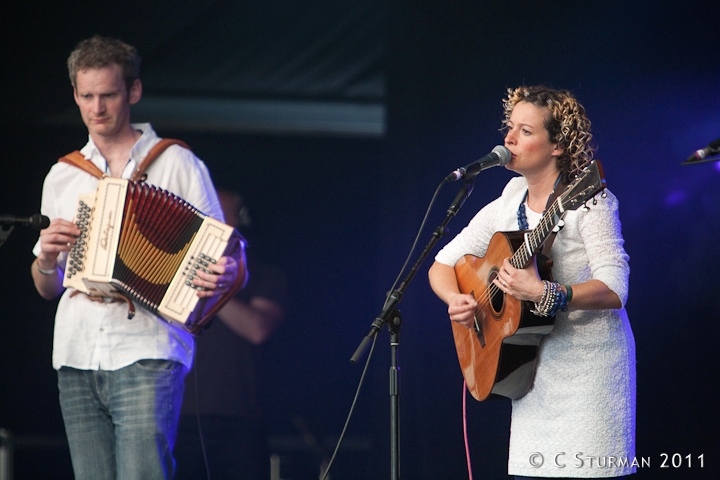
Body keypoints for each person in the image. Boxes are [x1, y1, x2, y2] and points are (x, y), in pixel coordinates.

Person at [30, 36, 244, 480]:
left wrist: (223, 274)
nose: (97, 108)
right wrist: (46, 260)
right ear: (75, 95)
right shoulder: (64, 174)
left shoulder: (177, 163)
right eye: (86, 96)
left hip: (148, 345)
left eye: (108, 94)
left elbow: (225, 251)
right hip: (75, 350)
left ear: (134, 91)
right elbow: (47, 287)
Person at [428, 85, 636, 479]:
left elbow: (615, 289)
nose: (508, 139)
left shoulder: (590, 200)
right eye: (510, 127)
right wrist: (455, 298)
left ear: (557, 145)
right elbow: (441, 263)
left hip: (590, 375)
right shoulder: (510, 198)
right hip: (531, 378)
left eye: (525, 131)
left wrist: (543, 292)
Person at [175, 189, 287, 480]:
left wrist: (215, 291)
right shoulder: (176, 275)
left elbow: (257, 329)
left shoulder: (263, 275)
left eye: (224, 218)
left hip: (239, 419)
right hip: (177, 415)